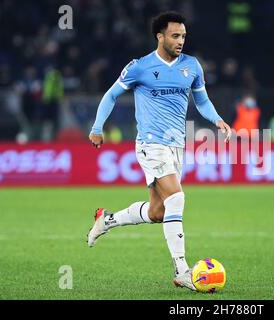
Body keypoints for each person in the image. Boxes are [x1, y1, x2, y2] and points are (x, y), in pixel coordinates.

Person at [87, 12, 231, 291]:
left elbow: (202, 101)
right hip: (151, 144)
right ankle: (183, 271)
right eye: (175, 36)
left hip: (177, 145)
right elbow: (111, 95)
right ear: (160, 36)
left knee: (157, 212)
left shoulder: (192, 66)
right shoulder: (140, 67)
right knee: (176, 198)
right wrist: (97, 127)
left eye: (184, 36)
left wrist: (217, 119)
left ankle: (107, 220)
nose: (181, 41)